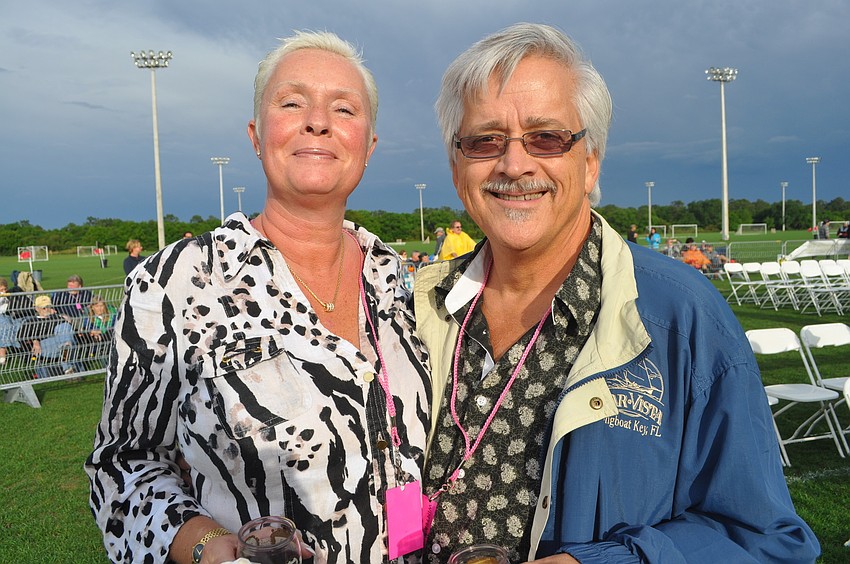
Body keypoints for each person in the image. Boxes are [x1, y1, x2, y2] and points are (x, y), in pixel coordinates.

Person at [413, 23, 819, 563]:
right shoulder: (411, 306)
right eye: (486, 140)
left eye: (546, 137)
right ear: (456, 163)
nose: (514, 164)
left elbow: (765, 538)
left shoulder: (680, 316)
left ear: (591, 161)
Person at [86, 31, 430, 564]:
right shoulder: (174, 284)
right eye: (292, 102)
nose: (318, 121)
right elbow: (122, 464)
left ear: (369, 145)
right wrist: (202, 545)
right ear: (255, 134)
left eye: (343, 108)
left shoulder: (396, 281)